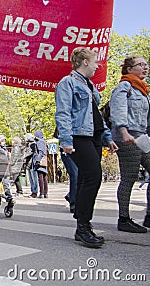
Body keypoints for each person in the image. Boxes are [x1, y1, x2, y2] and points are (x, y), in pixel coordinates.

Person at [55, 47, 118, 248]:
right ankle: (82, 226)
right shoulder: (68, 83)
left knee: (85, 178)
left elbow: (97, 116)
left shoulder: (90, 87)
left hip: (95, 137)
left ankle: (84, 226)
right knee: (93, 176)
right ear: (84, 62)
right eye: (94, 61)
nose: (97, 65)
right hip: (79, 135)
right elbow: (63, 112)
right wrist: (66, 140)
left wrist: (108, 137)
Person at [110, 55, 150, 233]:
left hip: (141, 136)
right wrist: (124, 131)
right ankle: (124, 219)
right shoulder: (124, 87)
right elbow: (118, 111)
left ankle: (149, 216)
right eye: (140, 65)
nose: (145, 68)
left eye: (146, 65)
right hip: (126, 137)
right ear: (129, 69)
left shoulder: (143, 90)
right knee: (129, 177)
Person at [32, 130, 48, 198]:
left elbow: (40, 152)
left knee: (40, 177)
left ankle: (42, 193)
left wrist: (37, 160)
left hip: (40, 161)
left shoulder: (39, 142)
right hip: (43, 161)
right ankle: (45, 193)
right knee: (44, 177)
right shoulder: (43, 141)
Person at [23, 133, 39, 198]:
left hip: (32, 164)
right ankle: (32, 191)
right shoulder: (27, 144)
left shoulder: (33, 144)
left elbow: (31, 152)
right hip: (28, 164)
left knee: (34, 178)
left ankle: (35, 192)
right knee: (30, 178)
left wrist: (24, 155)